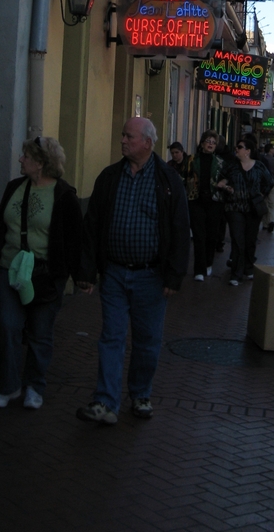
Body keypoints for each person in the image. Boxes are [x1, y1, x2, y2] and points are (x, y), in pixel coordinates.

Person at [75, 117, 189, 424]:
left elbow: (180, 229)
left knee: (147, 340)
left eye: (129, 136)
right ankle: (105, 401)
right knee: (111, 337)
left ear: (148, 143)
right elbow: (93, 224)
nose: (123, 141)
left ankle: (140, 394)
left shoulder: (168, 181)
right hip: (114, 272)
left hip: (151, 276)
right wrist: (87, 270)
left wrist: (174, 275)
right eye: (123, 135)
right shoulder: (110, 177)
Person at [0, 135, 82, 410]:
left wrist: (78, 274)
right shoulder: (14, 188)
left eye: (25, 156)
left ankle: (34, 386)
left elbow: (74, 238)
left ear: (40, 163)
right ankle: (9, 386)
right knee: (8, 326)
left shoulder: (64, 195)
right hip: (9, 269)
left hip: (44, 274)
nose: (20, 159)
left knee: (40, 332)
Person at [217, 136, 272, 286]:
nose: (236, 149)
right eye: (236, 147)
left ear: (248, 151)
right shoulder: (231, 166)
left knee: (250, 240)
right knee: (237, 239)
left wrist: (261, 195)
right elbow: (221, 180)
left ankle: (248, 268)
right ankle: (236, 273)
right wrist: (226, 187)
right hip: (234, 208)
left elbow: (269, 182)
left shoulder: (259, 166)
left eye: (240, 147)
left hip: (253, 209)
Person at [186, 130, 226, 280]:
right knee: (198, 235)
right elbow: (184, 176)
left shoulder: (220, 162)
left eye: (213, 142)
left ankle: (208, 263)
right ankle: (199, 270)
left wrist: (225, 182)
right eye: (208, 141)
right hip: (195, 200)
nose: (210, 144)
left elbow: (228, 176)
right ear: (202, 143)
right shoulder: (191, 159)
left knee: (211, 235)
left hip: (214, 202)